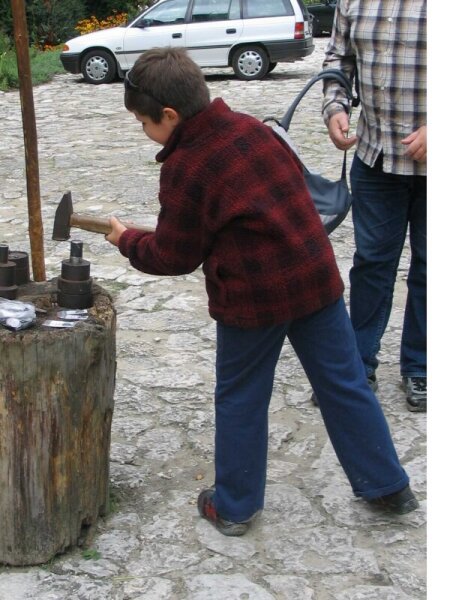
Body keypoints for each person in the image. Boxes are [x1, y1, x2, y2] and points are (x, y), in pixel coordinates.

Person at [106, 47, 418, 537]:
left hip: (254, 299)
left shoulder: (187, 165)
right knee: (346, 382)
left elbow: (174, 255)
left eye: (144, 123)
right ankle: (388, 486)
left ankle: (233, 506)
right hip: (315, 278)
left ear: (169, 115)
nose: (145, 133)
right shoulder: (253, 128)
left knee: (240, 397)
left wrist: (126, 240)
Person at [321, 0, 427, 412]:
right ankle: (358, 363)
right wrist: (335, 107)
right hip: (376, 155)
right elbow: (339, 59)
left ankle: (421, 367)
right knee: (371, 264)